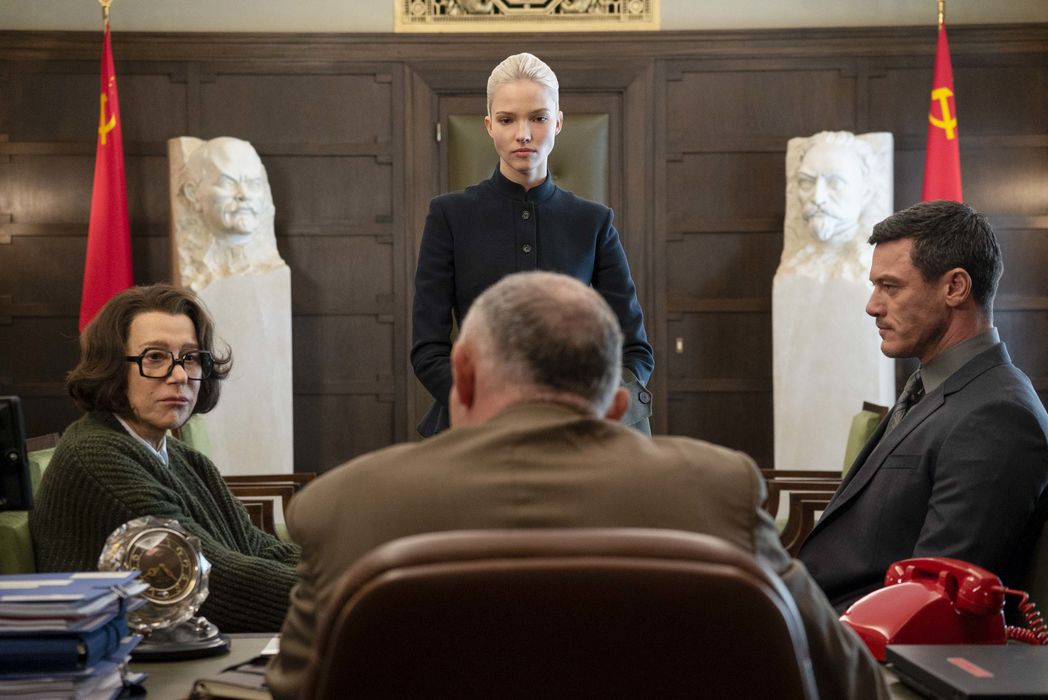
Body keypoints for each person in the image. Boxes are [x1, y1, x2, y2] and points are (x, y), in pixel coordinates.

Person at [268, 271, 886, 700]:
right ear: (615, 404)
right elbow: (849, 682)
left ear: (463, 375)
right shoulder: (718, 490)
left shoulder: (345, 506)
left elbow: (295, 691)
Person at [798, 200, 1048, 611]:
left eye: (891, 286)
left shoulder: (999, 415)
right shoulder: (932, 386)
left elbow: (932, 600)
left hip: (862, 640)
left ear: (955, 288)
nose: (873, 305)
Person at [30, 284, 299, 633]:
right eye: (155, 357)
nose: (180, 375)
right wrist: (344, 597)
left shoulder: (186, 459)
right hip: (130, 660)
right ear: (112, 367)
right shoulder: (95, 458)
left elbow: (256, 546)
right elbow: (209, 581)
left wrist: (343, 572)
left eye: (190, 358)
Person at [411, 52, 654, 437]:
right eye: (507, 119)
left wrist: (587, 410)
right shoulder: (449, 217)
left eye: (538, 118)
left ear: (557, 122)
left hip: (576, 433)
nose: (523, 134)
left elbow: (635, 351)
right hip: (474, 430)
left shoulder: (593, 222)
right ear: (489, 126)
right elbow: (428, 350)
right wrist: (486, 408)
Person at [175, 136, 283, 291]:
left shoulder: (268, 266)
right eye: (227, 183)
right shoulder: (196, 267)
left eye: (253, 184)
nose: (244, 194)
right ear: (192, 193)